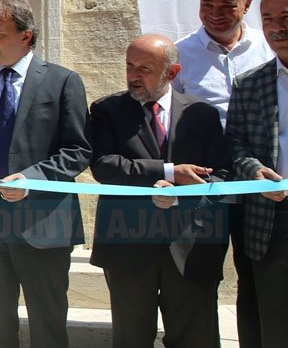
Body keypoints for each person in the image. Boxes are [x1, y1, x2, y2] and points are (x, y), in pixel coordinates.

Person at [0, 0, 90, 348]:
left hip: (43, 226)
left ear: (26, 36)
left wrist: (32, 180)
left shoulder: (63, 82)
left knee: (47, 327)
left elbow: (78, 151)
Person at [87, 34, 230, 347]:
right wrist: (168, 173)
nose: (134, 75)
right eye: (129, 65)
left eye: (145, 68)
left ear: (172, 72)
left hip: (190, 249)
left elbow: (222, 177)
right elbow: (104, 166)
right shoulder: (106, 110)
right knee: (131, 339)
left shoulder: (202, 115)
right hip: (128, 248)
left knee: (196, 338)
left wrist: (180, 193)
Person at [172, 0, 274, 348]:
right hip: (206, 188)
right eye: (207, 3)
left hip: (261, 184)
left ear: (246, 4)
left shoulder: (268, 50)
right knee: (199, 276)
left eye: (228, 4)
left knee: (258, 275)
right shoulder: (180, 53)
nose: (215, 12)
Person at [227, 0, 288, 345]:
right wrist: (253, 171)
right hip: (274, 227)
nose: (277, 26)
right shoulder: (250, 84)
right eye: (268, 18)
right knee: (280, 335)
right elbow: (235, 144)